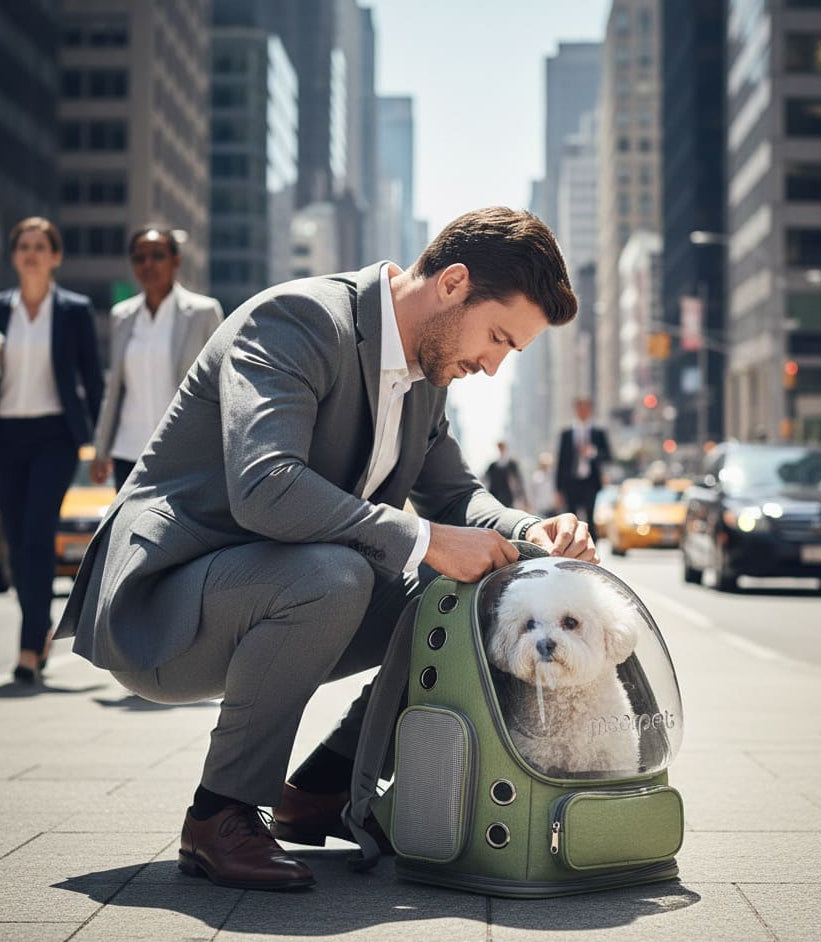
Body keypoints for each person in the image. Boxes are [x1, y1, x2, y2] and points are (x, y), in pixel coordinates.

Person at [56, 207, 599, 891]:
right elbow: (266, 486)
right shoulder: (297, 321)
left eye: (507, 353)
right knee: (337, 574)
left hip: (273, 590)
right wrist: (427, 539)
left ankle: (323, 786)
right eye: (496, 338)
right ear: (453, 282)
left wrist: (527, 533)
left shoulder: (428, 379)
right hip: (166, 605)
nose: (491, 366)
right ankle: (217, 815)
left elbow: (456, 494)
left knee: (463, 591)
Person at [0, 217, 103, 684]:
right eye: (24, 246)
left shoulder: (73, 310)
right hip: (6, 435)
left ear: (55, 256)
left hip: (54, 437)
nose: (32, 253)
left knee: (39, 536)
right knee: (18, 543)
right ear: (14, 255)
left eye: (41, 246)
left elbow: (93, 380)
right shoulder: (2, 309)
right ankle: (38, 632)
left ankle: (27, 648)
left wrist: (99, 443)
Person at [90, 228, 223, 491]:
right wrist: (100, 449)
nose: (148, 264)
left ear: (176, 261)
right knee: (127, 530)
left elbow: (221, 382)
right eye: (139, 258)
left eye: (157, 256)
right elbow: (114, 388)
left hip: (183, 451)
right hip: (129, 451)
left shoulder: (203, 312)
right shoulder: (122, 315)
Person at [555, 396, 612, 541]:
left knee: (590, 520)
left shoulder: (598, 433)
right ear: (575, 410)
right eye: (580, 408)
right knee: (570, 521)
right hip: (571, 483)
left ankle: (592, 553)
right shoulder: (566, 434)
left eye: (586, 408)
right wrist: (558, 489)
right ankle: (572, 553)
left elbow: (608, 456)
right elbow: (560, 463)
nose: (583, 411)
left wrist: (593, 452)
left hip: (591, 483)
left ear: (591, 410)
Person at [484, 440, 526, 508]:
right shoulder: (493, 465)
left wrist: (523, 498)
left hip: (509, 496)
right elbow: (486, 479)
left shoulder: (511, 464)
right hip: (496, 495)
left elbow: (519, 480)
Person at [528, 451, 559, 517]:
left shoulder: (553, 475)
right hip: (540, 508)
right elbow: (532, 492)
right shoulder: (536, 476)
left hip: (553, 507)